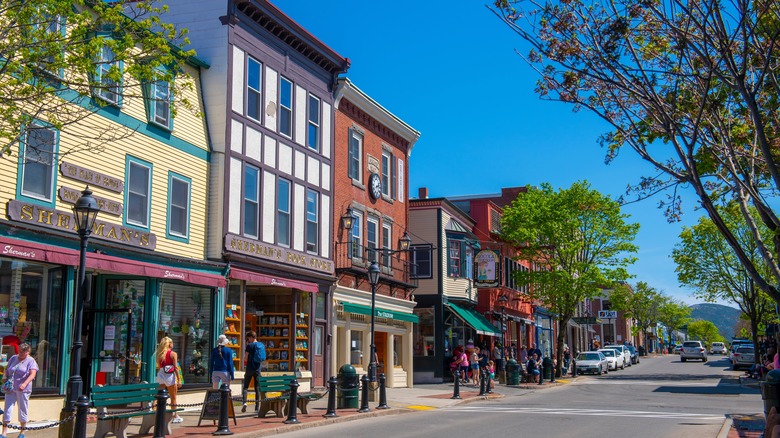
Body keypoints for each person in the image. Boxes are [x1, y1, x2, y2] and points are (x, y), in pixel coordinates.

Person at [1, 343, 38, 438]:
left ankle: (22, 432)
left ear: (28, 352)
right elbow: (7, 369)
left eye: (23, 352)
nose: (20, 353)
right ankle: (4, 433)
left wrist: (24, 384)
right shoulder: (14, 357)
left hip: (23, 389)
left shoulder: (31, 361)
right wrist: (4, 376)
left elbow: (32, 374)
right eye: (20, 351)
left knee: (22, 409)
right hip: (11, 388)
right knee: (7, 409)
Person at [156, 337, 183, 423]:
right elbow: (175, 367)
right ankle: (175, 415)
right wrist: (179, 379)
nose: (173, 344)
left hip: (161, 374)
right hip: (169, 375)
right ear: (169, 344)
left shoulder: (160, 353)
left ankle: (155, 412)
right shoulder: (173, 354)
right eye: (172, 342)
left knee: (158, 395)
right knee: (173, 396)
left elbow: (159, 366)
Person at [242, 331, 266, 413]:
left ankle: (244, 403)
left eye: (248, 338)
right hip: (258, 369)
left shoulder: (249, 346)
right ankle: (257, 407)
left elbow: (245, 358)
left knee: (245, 387)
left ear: (251, 337)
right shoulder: (260, 345)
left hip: (249, 368)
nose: (248, 339)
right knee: (257, 388)